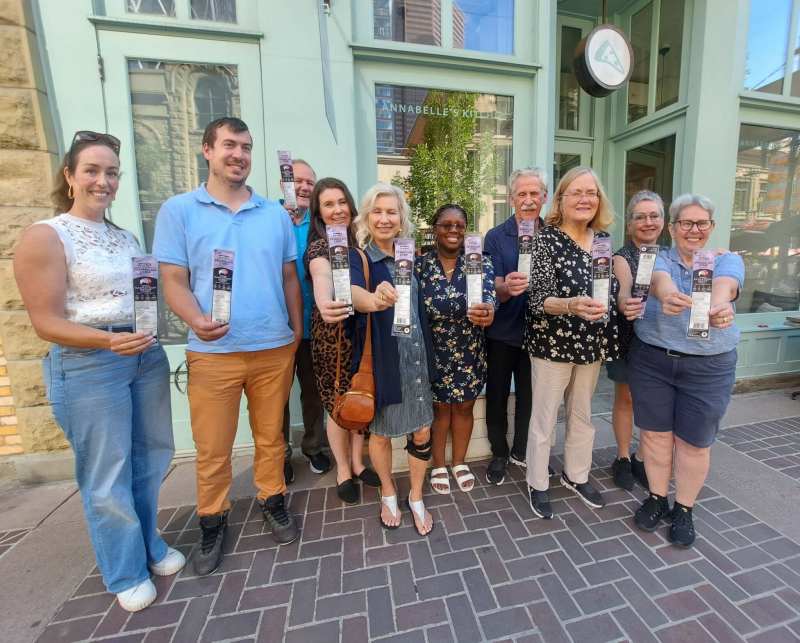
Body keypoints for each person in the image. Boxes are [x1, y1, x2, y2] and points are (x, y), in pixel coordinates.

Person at [13, 131, 183, 612]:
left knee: (152, 456)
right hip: (90, 363)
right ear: (69, 176)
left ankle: (148, 546)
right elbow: (46, 323)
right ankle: (123, 570)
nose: (102, 181)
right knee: (107, 472)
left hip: (142, 354)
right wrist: (109, 339)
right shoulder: (46, 235)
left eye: (111, 172)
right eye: (92, 170)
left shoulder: (123, 235)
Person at [153, 117, 303, 576]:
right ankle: (212, 518)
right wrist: (195, 319)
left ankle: (272, 499)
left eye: (246, 147)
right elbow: (172, 281)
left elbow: (288, 277)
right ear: (207, 151)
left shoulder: (275, 214)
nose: (239, 155)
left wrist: (296, 333)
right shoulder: (179, 210)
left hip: (272, 348)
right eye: (229, 145)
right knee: (212, 446)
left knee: (271, 437)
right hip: (211, 352)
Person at [625, 194, 743, 548]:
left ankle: (685, 508)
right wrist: (670, 295)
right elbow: (659, 281)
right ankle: (658, 497)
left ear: (711, 227)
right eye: (686, 223)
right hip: (654, 361)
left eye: (701, 223)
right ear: (672, 228)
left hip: (708, 366)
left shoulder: (727, 260)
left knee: (693, 442)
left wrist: (719, 306)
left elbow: (727, 287)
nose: (694, 230)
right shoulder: (657, 257)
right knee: (655, 436)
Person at [525, 166, 620, 519]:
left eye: (591, 193)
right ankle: (537, 482)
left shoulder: (603, 241)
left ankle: (576, 475)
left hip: (590, 344)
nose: (585, 199)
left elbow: (609, 289)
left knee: (583, 415)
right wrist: (571, 305)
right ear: (561, 200)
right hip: (552, 344)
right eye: (577, 192)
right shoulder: (546, 239)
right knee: (545, 418)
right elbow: (537, 300)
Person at [350, 183, 436, 536]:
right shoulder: (360, 259)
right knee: (382, 433)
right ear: (367, 218)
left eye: (392, 212)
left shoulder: (410, 256)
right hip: (384, 362)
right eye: (377, 211)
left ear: (402, 219)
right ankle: (388, 489)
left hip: (416, 360)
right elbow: (354, 295)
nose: (385, 219)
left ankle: (415, 495)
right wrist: (374, 299)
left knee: (422, 431)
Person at [304, 177, 380, 503]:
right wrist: (324, 301)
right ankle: (343, 470)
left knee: (360, 394)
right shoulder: (320, 246)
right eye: (328, 204)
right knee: (337, 405)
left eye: (341, 202)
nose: (337, 210)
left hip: (360, 334)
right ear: (319, 214)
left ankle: (359, 462)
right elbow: (321, 275)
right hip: (332, 336)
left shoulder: (358, 248)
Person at [417, 204, 496, 494]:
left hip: (469, 348)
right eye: (446, 225)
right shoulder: (420, 266)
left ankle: (459, 462)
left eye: (459, 226)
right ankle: (438, 465)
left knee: (464, 407)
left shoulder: (480, 262)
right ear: (435, 229)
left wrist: (489, 310)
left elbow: (488, 296)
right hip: (433, 349)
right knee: (438, 410)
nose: (453, 230)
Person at [483, 167, 548, 485]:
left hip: (542, 334)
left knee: (531, 397)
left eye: (534, 193)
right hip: (501, 332)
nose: (528, 199)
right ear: (511, 199)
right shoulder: (496, 236)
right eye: (521, 193)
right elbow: (488, 280)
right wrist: (505, 286)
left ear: (544, 197)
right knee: (496, 395)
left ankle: (522, 451)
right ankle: (499, 451)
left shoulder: (554, 235)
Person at [607, 191, 666, 490]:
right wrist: (625, 302)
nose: (647, 222)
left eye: (654, 215)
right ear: (629, 224)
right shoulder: (621, 256)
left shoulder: (669, 255)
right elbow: (624, 291)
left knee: (653, 403)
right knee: (627, 398)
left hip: (663, 342)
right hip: (629, 340)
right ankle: (622, 458)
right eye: (640, 217)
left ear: (663, 220)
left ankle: (642, 455)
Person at [280, 159, 330, 483]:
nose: (304, 187)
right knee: (276, 397)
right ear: (285, 182)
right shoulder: (270, 218)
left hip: (315, 325)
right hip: (279, 328)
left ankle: (313, 447)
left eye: (310, 182)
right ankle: (278, 454)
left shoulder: (320, 223)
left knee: (313, 393)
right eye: (298, 180)